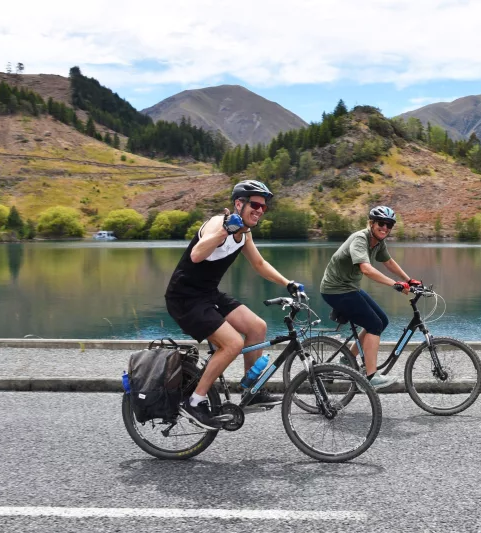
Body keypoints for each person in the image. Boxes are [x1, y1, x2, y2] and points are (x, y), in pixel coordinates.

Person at [165, 179, 304, 430]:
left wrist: (288, 283)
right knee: (233, 343)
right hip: (185, 298)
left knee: (257, 327)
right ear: (239, 203)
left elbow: (259, 264)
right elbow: (197, 254)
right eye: (255, 205)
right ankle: (195, 402)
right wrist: (224, 231)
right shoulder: (220, 223)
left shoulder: (244, 233)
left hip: (208, 294)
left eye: (264, 207)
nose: (260, 211)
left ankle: (251, 390)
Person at [319, 206, 421, 390]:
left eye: (389, 225)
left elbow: (388, 261)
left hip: (349, 288)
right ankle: (370, 377)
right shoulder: (360, 239)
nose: (385, 228)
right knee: (373, 325)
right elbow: (365, 269)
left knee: (381, 321)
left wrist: (409, 280)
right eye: (381, 223)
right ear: (371, 223)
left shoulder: (378, 241)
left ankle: (346, 359)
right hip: (335, 290)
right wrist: (394, 284)